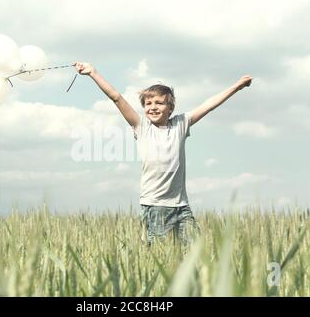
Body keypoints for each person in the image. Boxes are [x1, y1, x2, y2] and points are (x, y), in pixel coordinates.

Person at [74, 62, 252, 246]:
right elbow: (117, 98)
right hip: (155, 205)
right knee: (160, 254)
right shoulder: (141, 126)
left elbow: (209, 105)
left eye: (159, 103)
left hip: (181, 206)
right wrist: (93, 73)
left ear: (170, 108)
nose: (153, 107)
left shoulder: (181, 124)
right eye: (148, 103)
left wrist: (237, 87)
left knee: (197, 250)